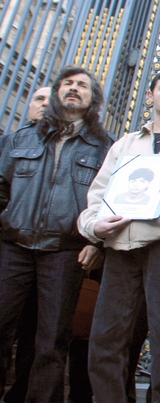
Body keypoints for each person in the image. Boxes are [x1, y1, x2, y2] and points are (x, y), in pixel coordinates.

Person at [78, 68, 160, 403]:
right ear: (150, 96)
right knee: (106, 338)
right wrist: (94, 229)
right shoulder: (125, 144)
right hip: (121, 246)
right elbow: (97, 196)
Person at [0, 66, 112, 402]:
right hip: (13, 247)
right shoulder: (20, 139)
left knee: (51, 341)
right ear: (56, 92)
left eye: (82, 85)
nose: (74, 88)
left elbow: (109, 201)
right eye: (68, 83)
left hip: (65, 252)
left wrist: (97, 243)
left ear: (94, 98)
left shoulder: (105, 147)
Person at [2, 87, 49, 403]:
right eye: (39, 99)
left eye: (50, 100)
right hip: (13, 246)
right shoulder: (12, 141)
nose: (45, 105)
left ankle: (21, 394)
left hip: (54, 252)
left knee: (38, 333)